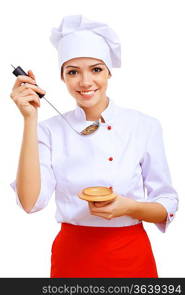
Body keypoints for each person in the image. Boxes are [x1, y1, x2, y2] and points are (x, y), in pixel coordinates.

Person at [10, 15, 178, 278]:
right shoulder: (48, 130)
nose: (85, 82)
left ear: (109, 72)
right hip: (73, 257)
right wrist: (30, 119)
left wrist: (129, 208)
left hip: (130, 254)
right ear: (62, 78)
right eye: (73, 71)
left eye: (96, 69)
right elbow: (30, 203)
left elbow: (167, 202)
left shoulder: (144, 125)